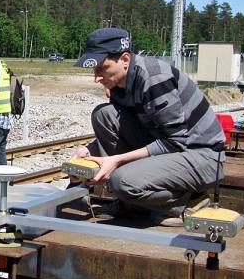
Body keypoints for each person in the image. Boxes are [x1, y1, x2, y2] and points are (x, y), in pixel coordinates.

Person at [71, 28, 225, 226]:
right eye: (94, 70)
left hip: (203, 156)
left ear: (125, 59)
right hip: (174, 147)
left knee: (121, 181)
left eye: (102, 68)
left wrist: (116, 160)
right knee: (104, 114)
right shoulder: (120, 83)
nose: (97, 77)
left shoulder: (154, 80)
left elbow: (175, 142)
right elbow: (136, 130)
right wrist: (87, 150)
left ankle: (186, 202)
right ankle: (133, 202)